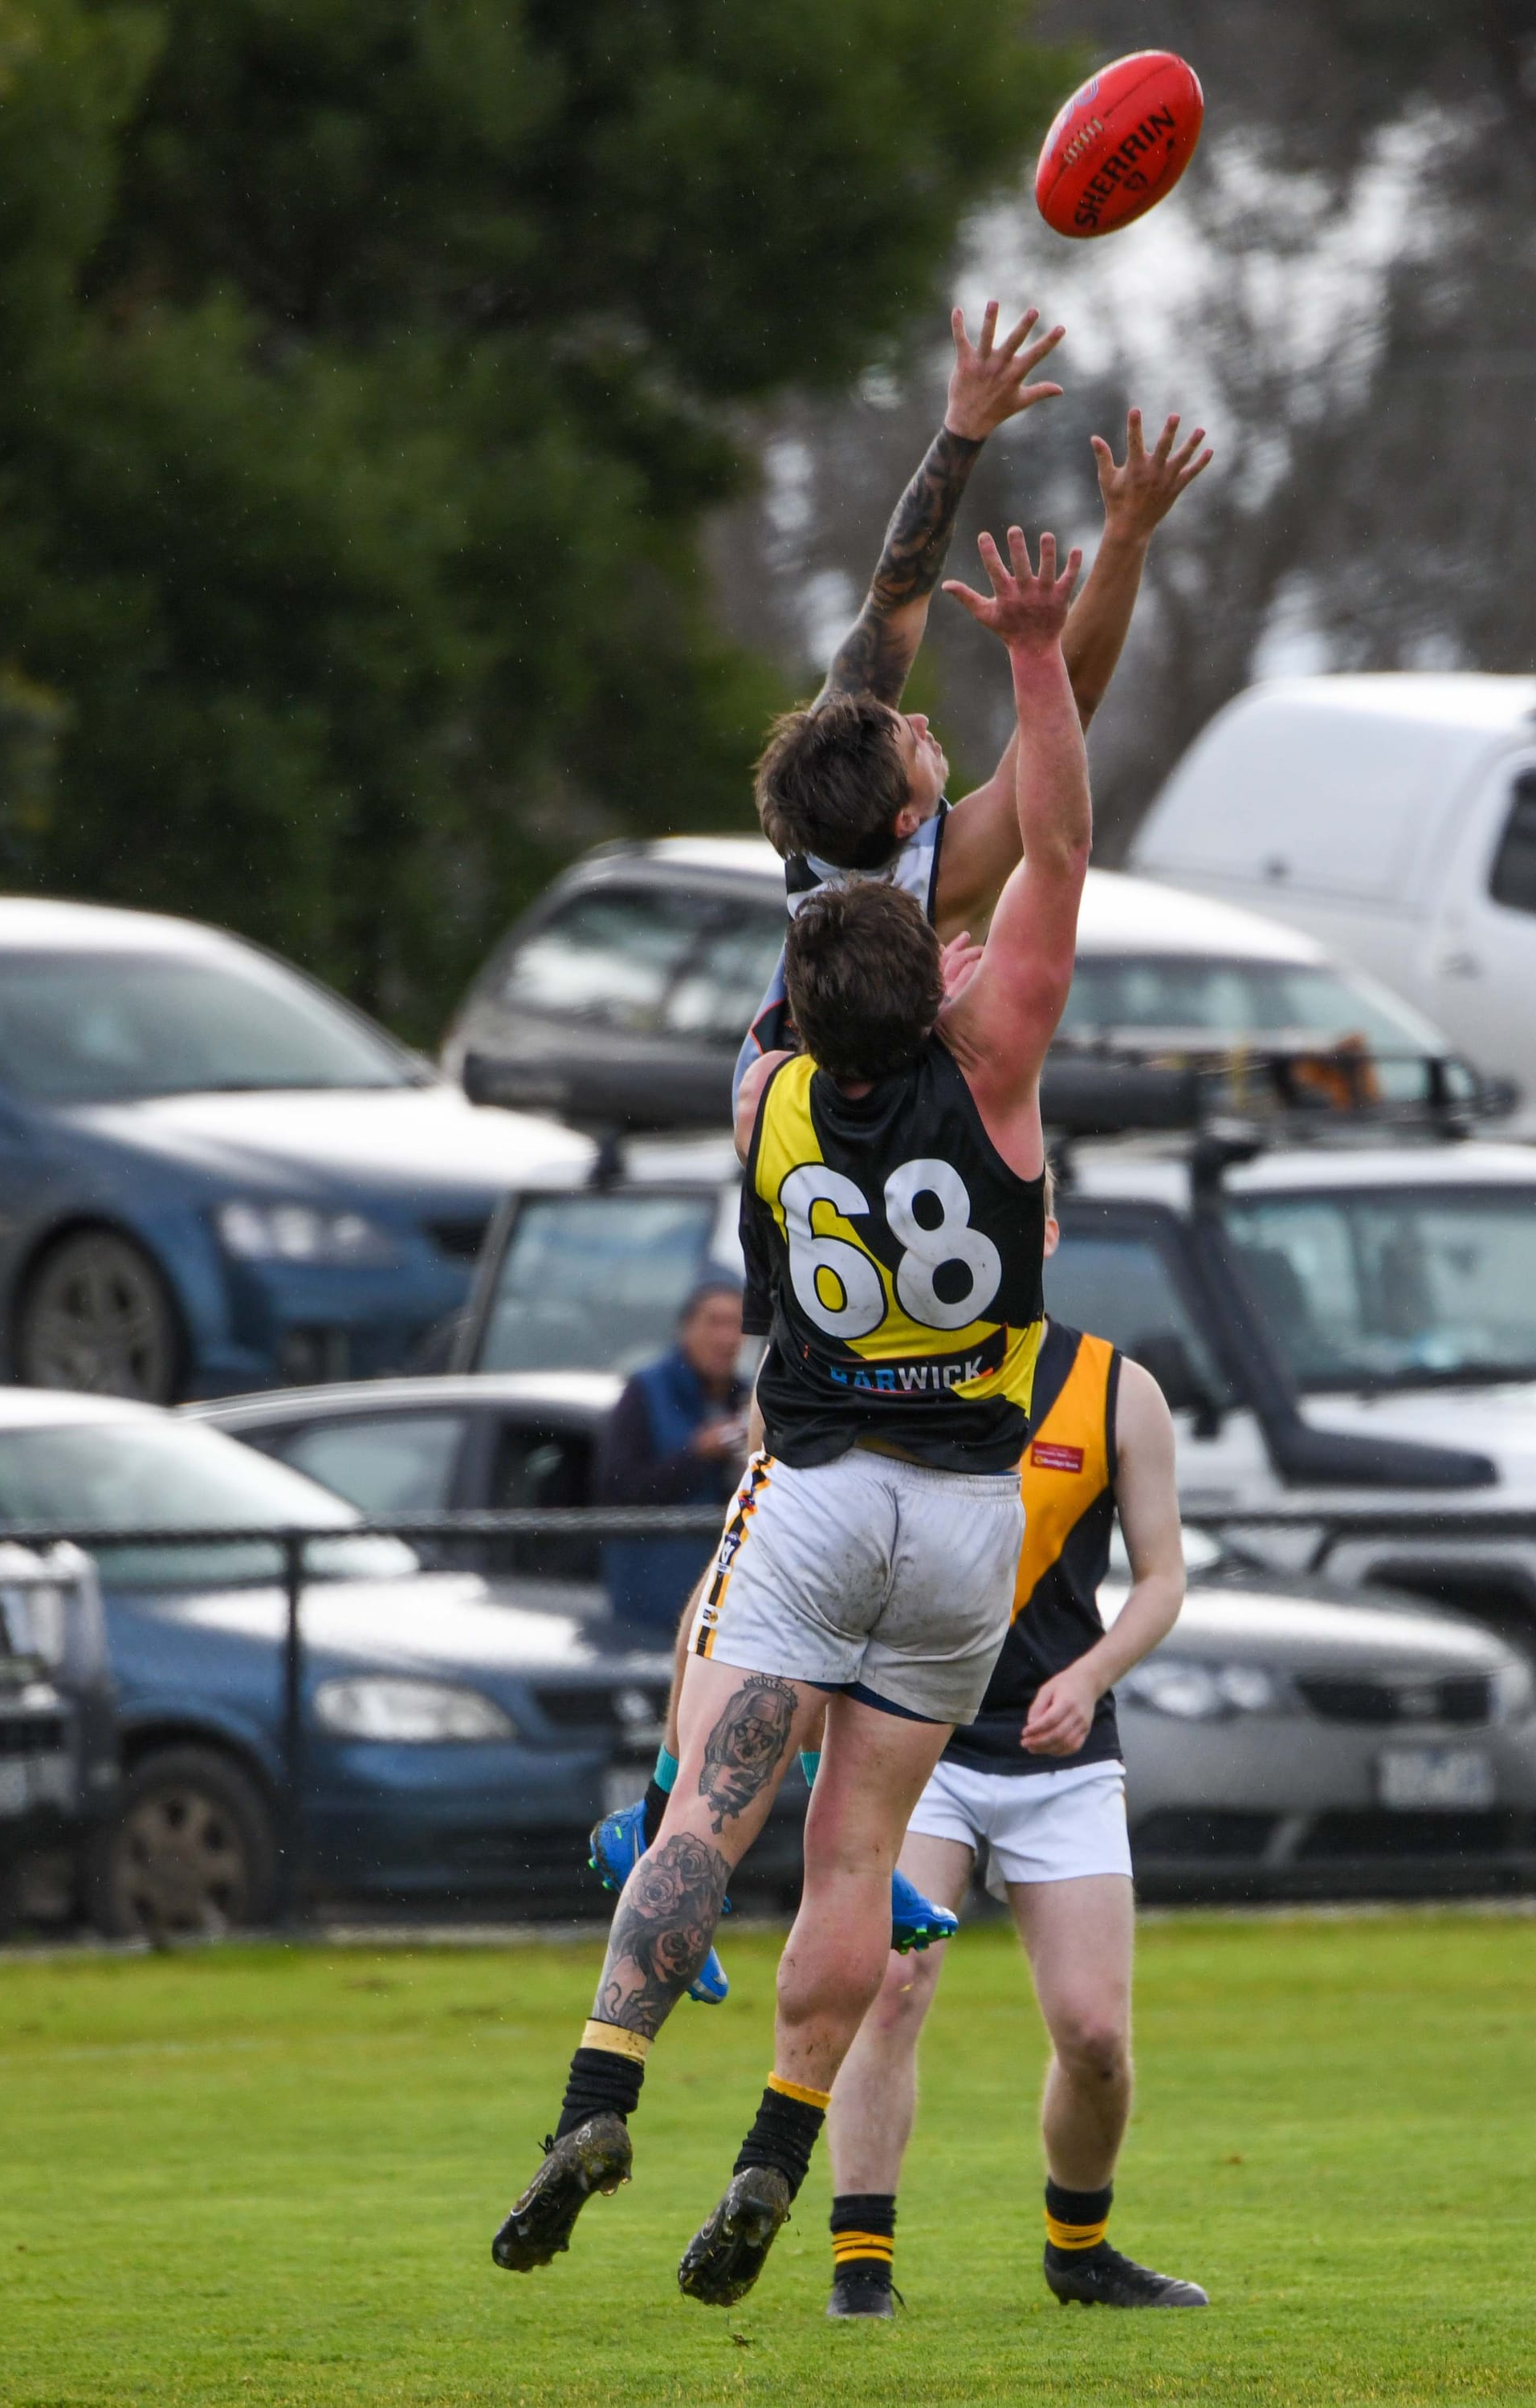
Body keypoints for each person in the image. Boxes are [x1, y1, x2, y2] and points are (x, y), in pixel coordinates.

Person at [491, 517, 1091, 2309]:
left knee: (705, 1820)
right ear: (954, 987)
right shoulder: (997, 1087)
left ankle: (599, 2099)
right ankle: (771, 2155)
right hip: (966, 1533)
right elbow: (1053, 838)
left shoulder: (760, 1089)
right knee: (855, 1859)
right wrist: (1042, 657)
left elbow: (844, 936)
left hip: (814, 1493)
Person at [821, 1218, 1207, 2321]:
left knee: (1093, 2035)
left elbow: (1162, 1578)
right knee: (890, 1986)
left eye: (1020, 1215)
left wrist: (1088, 1676)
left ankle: (1078, 2249)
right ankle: (862, 2270)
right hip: (913, 1742)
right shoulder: (877, 1372)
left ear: (1041, 1235)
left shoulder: (1114, 1388)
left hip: (1061, 1755)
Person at [735, 299, 1212, 1090]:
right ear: (905, 821)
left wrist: (962, 429)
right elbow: (1073, 703)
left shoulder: (818, 802)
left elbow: (895, 592)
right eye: (909, 741)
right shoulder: (942, 882)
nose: (918, 720)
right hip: (863, 1140)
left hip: (772, 1105)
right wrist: (1125, 535)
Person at [595, 1279, 749, 1636]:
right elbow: (618, 1489)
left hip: (727, 1608)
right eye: (715, 1322)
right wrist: (697, 1456)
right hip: (652, 1606)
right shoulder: (645, 1393)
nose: (727, 1339)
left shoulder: (747, 1399)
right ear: (687, 1328)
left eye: (737, 1325)